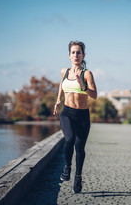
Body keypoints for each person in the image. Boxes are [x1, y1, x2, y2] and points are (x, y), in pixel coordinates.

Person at [53, 40, 97, 193]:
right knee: (69, 139)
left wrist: (83, 86)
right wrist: (58, 99)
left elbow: (95, 95)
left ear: (83, 55)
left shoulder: (87, 74)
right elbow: (61, 84)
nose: (76, 55)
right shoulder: (64, 71)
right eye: (73, 52)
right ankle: (67, 167)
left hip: (82, 116)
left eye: (79, 52)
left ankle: (78, 176)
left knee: (80, 148)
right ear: (69, 55)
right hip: (67, 113)